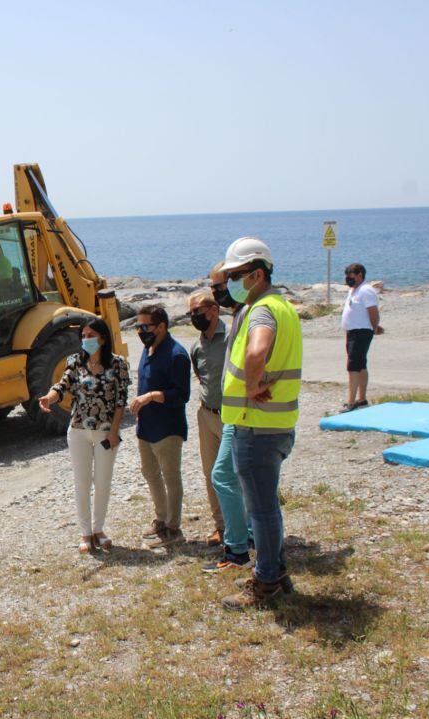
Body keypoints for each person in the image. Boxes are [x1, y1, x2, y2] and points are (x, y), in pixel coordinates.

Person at [218, 237, 302, 610]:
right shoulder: (283, 306)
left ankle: (265, 581)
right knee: (267, 506)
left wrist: (251, 385)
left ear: (256, 274)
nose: (230, 282)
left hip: (256, 427)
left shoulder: (263, 310)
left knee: (261, 509)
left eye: (235, 275)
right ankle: (276, 570)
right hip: (278, 423)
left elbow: (257, 350)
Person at [38, 318, 130, 554]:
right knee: (81, 482)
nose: (86, 339)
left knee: (102, 482)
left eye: (91, 335)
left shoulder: (118, 364)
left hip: (105, 432)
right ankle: (85, 532)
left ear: (103, 337)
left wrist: (114, 430)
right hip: (78, 430)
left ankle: (99, 529)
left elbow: (120, 400)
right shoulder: (76, 361)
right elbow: (63, 385)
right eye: (84, 335)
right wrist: (49, 397)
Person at [201, 263, 254, 573]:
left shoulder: (251, 315)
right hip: (235, 412)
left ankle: (237, 549)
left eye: (221, 284)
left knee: (224, 476)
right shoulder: (241, 315)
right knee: (244, 479)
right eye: (213, 287)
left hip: (243, 413)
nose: (216, 291)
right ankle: (248, 538)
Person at [130, 304, 191, 549]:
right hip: (146, 425)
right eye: (137, 327)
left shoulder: (177, 354)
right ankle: (161, 518)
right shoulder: (149, 348)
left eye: (146, 327)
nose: (141, 331)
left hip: (168, 426)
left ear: (162, 326)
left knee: (170, 476)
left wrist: (152, 396)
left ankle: (173, 527)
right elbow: (144, 380)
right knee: (150, 472)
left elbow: (181, 394)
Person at [187, 289, 226, 546]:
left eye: (197, 311)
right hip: (206, 414)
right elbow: (200, 377)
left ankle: (248, 527)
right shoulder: (197, 346)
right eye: (190, 313)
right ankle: (221, 527)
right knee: (211, 472)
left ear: (214, 310)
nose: (193, 317)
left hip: (232, 416)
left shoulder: (233, 338)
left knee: (236, 473)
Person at [341, 262, 383, 412]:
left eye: (351, 276)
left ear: (360, 275)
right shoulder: (354, 290)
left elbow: (373, 312)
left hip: (361, 332)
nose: (348, 279)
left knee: (353, 366)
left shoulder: (366, 290)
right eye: (347, 276)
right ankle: (362, 399)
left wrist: (374, 328)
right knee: (361, 365)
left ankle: (350, 401)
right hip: (353, 331)